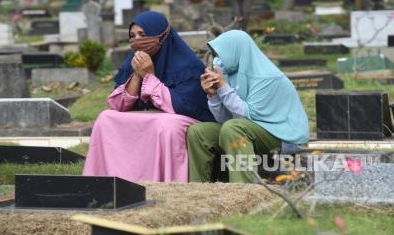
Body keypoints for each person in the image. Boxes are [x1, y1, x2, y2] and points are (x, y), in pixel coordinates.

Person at [83, 11, 214, 182]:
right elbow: (118, 106)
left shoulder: (189, 65)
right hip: (147, 117)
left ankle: (163, 184)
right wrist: (138, 75)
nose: (137, 40)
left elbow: (184, 107)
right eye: (132, 36)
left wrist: (150, 77)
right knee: (105, 118)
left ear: (162, 35)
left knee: (165, 125)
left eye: (143, 35)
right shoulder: (133, 61)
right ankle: (107, 181)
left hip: (180, 118)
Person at [187, 30, 309, 183]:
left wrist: (223, 87)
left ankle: (244, 189)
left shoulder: (267, 77)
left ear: (236, 51)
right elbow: (224, 120)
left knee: (234, 128)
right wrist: (213, 95)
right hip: (251, 129)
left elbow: (244, 117)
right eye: (215, 56)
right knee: (198, 132)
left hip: (284, 136)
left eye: (220, 55)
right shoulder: (232, 74)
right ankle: (197, 190)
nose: (217, 60)